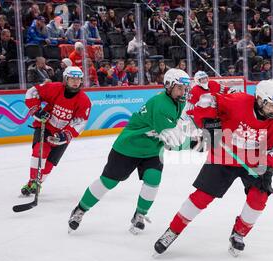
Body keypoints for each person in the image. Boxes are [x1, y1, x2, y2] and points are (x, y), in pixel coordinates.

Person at [153, 79, 273, 256]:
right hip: (224, 155)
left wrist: (267, 168)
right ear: (259, 99)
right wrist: (207, 123)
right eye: (272, 105)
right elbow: (206, 101)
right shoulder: (239, 102)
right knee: (202, 197)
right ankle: (172, 231)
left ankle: (239, 234)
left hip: (254, 160)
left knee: (259, 197)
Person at [67, 69, 192, 234]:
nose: (183, 92)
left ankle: (140, 215)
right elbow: (173, 141)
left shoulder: (178, 100)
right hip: (128, 147)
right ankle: (80, 209)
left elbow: (179, 120)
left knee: (153, 179)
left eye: (185, 88)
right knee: (108, 182)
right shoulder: (161, 104)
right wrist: (200, 141)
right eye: (179, 88)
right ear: (168, 86)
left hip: (152, 149)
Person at [21, 67, 92, 196]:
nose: (76, 81)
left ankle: (35, 184)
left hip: (62, 134)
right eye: (72, 78)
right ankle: (33, 181)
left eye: (78, 79)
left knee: (49, 163)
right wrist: (37, 110)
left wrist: (65, 135)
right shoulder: (54, 88)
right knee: (40, 150)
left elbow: (80, 122)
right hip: (46, 126)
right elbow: (33, 92)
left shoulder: (84, 100)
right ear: (65, 79)